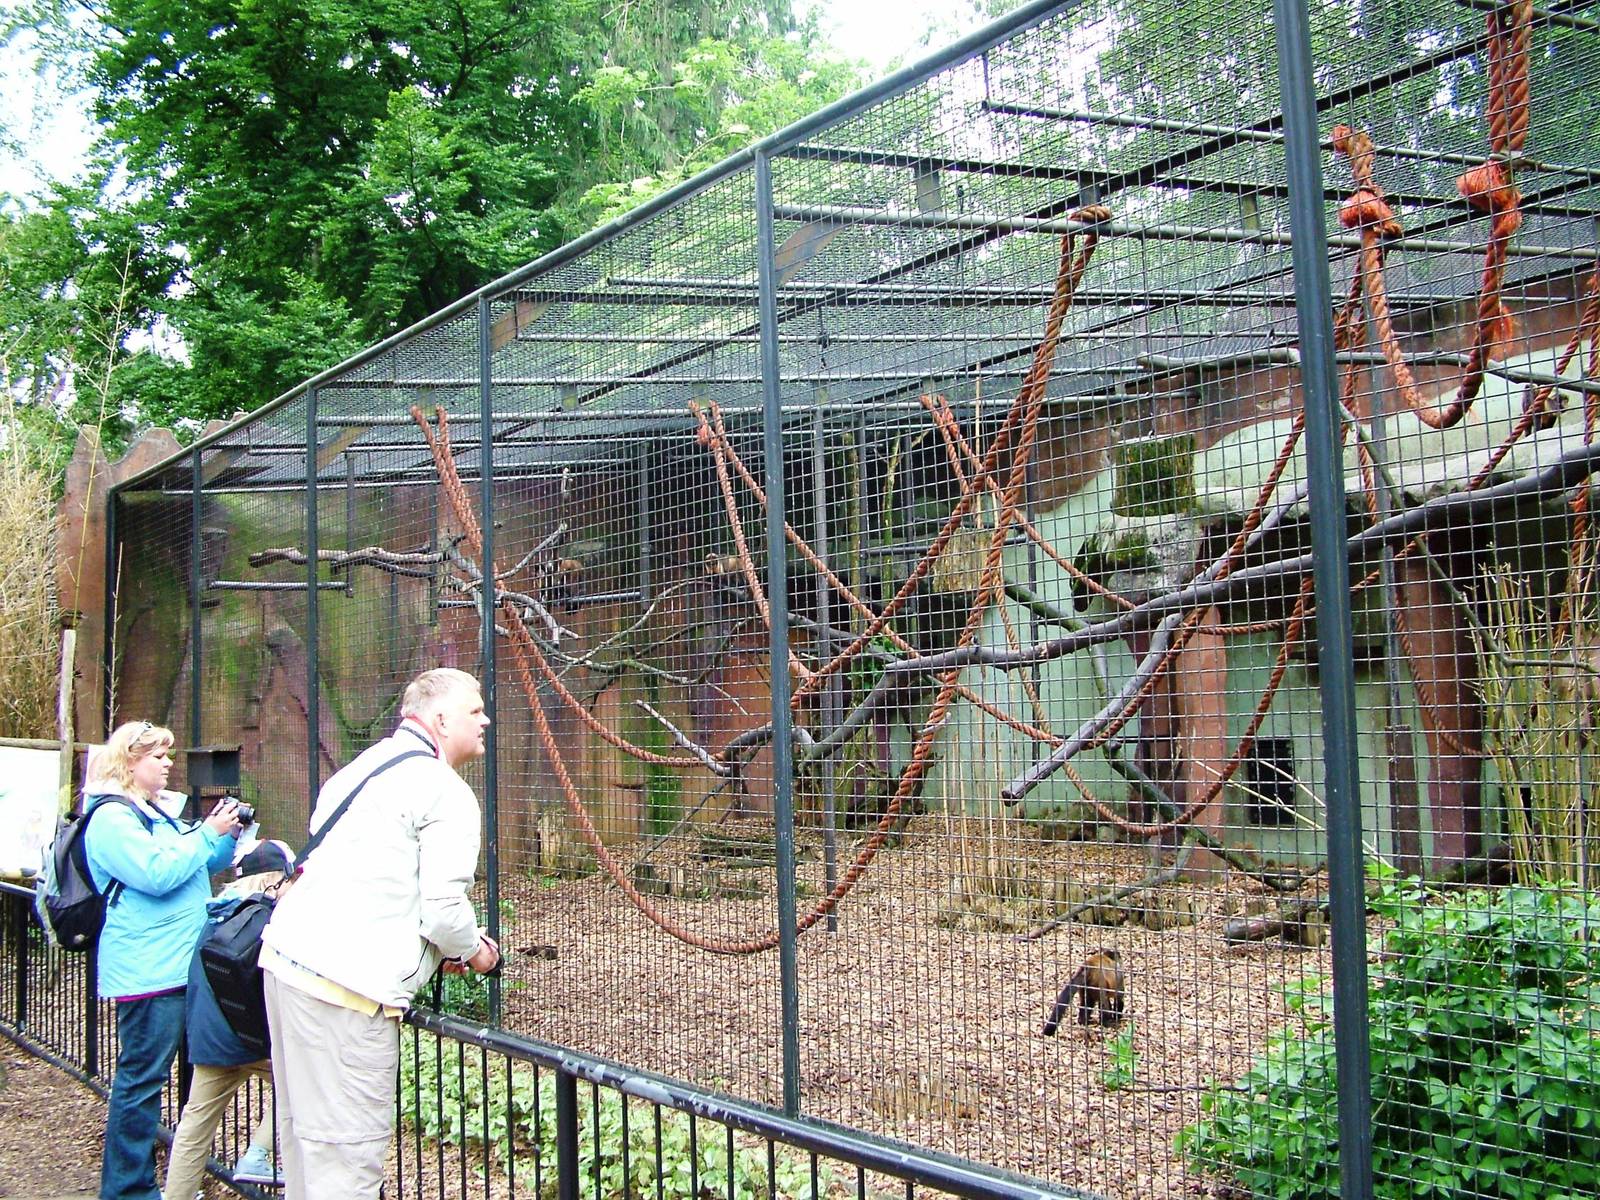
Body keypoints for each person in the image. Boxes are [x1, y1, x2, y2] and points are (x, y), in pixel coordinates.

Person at [260, 668, 500, 1200]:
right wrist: (475, 952)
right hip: (345, 990)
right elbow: (443, 910)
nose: (485, 720)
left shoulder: (361, 767)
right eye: (475, 710)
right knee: (346, 1162)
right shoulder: (444, 789)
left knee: (304, 1144)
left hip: (286, 964)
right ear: (441, 719)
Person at [84, 721, 243, 1200]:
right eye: (158, 756)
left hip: (176, 965)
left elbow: (196, 862)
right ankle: (127, 1189)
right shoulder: (111, 819)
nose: (169, 763)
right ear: (130, 761)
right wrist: (205, 833)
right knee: (141, 1082)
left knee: (162, 1078)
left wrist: (226, 835)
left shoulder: (151, 811)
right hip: (149, 971)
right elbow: (156, 872)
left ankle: (158, 1182)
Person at [162, 839, 297, 1200]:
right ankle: (258, 1154)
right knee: (305, 1081)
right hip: (249, 1038)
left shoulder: (216, 913)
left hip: (210, 1037)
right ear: (273, 880)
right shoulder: (265, 919)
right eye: (289, 880)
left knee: (194, 1126)